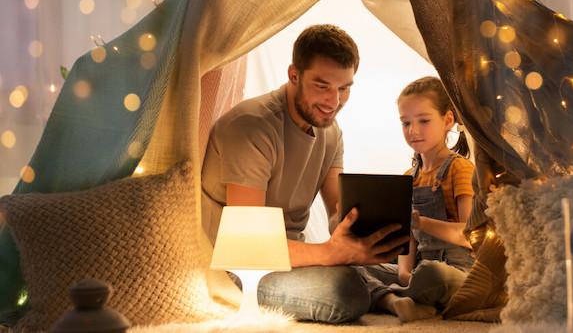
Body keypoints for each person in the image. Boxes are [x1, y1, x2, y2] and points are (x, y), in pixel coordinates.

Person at [200, 24, 407, 323]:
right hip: (240, 267)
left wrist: (373, 231)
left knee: (411, 274)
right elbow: (250, 246)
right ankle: (383, 294)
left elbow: (339, 212)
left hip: (298, 259)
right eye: (322, 86)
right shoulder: (251, 127)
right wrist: (331, 254)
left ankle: (392, 289)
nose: (333, 102)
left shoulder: (331, 132)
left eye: (344, 88)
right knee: (344, 293)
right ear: (294, 75)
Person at [359, 76, 476, 322]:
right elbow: (407, 242)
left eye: (423, 121)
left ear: (447, 120)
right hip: (419, 270)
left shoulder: (460, 169)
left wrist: (420, 222)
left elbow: (468, 235)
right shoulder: (407, 178)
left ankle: (392, 297)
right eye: (405, 123)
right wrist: (404, 274)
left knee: (433, 274)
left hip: (456, 271)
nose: (413, 131)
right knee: (354, 264)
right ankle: (401, 299)